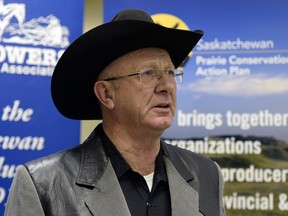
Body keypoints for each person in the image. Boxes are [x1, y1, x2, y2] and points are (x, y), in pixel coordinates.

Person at [4, 9, 226, 216]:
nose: (166, 85)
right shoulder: (43, 184)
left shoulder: (206, 175)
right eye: (148, 73)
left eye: (169, 72)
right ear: (106, 94)